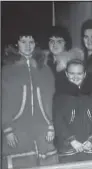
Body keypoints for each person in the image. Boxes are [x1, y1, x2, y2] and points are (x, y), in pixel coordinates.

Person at [2, 29, 58, 168]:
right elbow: (3, 100)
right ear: (16, 44)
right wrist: (7, 128)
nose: (28, 45)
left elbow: (50, 99)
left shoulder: (45, 69)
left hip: (42, 127)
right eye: (23, 41)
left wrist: (50, 125)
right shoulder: (7, 70)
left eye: (31, 41)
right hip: (17, 127)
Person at [53, 59, 92, 163]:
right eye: (72, 73)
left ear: (85, 74)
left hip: (89, 146)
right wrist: (71, 140)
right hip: (68, 148)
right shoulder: (59, 95)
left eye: (79, 74)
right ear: (66, 74)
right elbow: (58, 120)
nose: (75, 77)